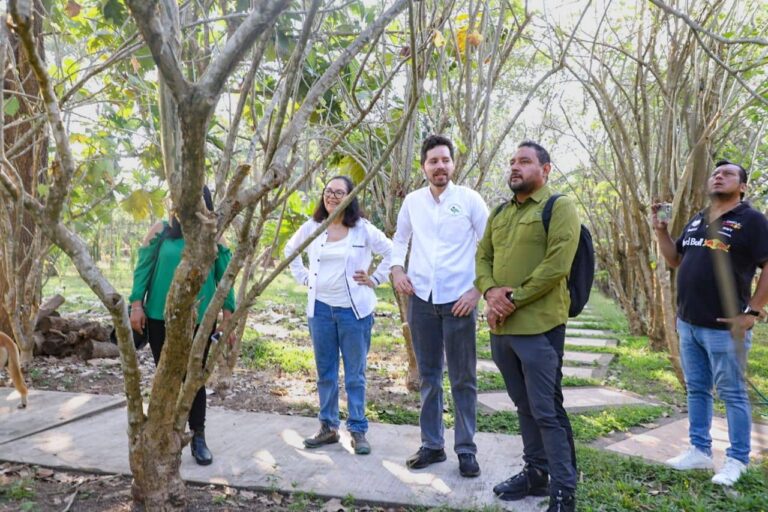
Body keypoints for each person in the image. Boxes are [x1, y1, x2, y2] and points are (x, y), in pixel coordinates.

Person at [475, 141, 580, 511]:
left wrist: (511, 299)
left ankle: (564, 490)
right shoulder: (500, 212)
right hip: (502, 330)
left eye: (524, 161)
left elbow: (556, 265)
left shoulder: (559, 207)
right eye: (512, 162)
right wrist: (490, 292)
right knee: (523, 405)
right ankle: (536, 472)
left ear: (545, 169)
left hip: (539, 329)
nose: (515, 167)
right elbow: (482, 257)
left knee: (546, 409)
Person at [654, 159, 768, 486]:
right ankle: (699, 450)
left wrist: (752, 312)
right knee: (697, 389)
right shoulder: (699, 219)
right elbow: (675, 259)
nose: (719, 176)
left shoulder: (752, 220)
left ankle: (737, 459)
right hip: (689, 323)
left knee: (732, 393)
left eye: (728, 174)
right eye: (716, 173)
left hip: (725, 328)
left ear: (742, 186)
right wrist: (661, 231)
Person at [391, 134, 488, 478]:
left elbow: (489, 246)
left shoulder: (469, 200)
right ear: (424, 167)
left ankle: (466, 449)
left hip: (459, 301)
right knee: (429, 377)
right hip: (421, 300)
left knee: (463, 378)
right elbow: (400, 239)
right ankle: (432, 445)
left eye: (445, 160)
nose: (440, 166)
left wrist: (477, 291)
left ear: (453, 163)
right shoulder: (413, 202)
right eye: (433, 161)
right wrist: (397, 269)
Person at [284, 175, 392, 455]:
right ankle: (328, 428)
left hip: (353, 313)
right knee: (326, 373)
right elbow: (290, 250)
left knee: (355, 374)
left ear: (350, 197)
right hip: (320, 311)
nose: (332, 196)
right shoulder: (313, 227)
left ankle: (357, 429)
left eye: (339, 192)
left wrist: (376, 278)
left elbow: (392, 251)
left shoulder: (362, 229)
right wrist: (305, 277)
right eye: (328, 191)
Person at [129, 186, 236, 466]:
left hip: (200, 318)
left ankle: (198, 436)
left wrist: (228, 317)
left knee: (194, 379)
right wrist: (136, 304)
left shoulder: (214, 236)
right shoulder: (161, 230)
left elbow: (225, 277)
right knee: (165, 376)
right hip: (159, 316)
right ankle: (162, 437)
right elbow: (143, 269)